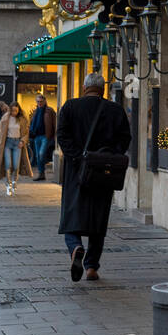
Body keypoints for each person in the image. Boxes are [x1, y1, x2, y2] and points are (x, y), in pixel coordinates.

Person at [57, 73, 131, 282]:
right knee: (99, 219)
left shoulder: (70, 107)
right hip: (104, 172)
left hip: (76, 171)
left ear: (84, 87)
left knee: (71, 216)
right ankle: (91, 267)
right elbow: (125, 137)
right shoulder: (115, 110)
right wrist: (109, 155)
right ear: (103, 90)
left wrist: (77, 157)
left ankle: (75, 247)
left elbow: (62, 135)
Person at [0, 101, 31, 195]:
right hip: (7, 143)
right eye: (12, 110)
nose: (14, 112)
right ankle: (8, 185)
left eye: (16, 111)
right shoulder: (5, 118)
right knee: (8, 164)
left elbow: (26, 132)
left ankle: (14, 182)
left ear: (19, 110)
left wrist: (22, 141)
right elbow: (0, 132)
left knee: (16, 165)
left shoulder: (22, 119)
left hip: (18, 143)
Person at [28, 93, 56, 182]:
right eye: (38, 101)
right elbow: (32, 123)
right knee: (37, 155)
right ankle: (41, 173)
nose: (39, 103)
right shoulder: (35, 111)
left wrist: (55, 135)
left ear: (44, 101)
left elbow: (55, 123)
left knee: (41, 154)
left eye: (41, 101)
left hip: (45, 136)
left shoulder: (49, 110)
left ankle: (42, 171)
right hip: (37, 136)